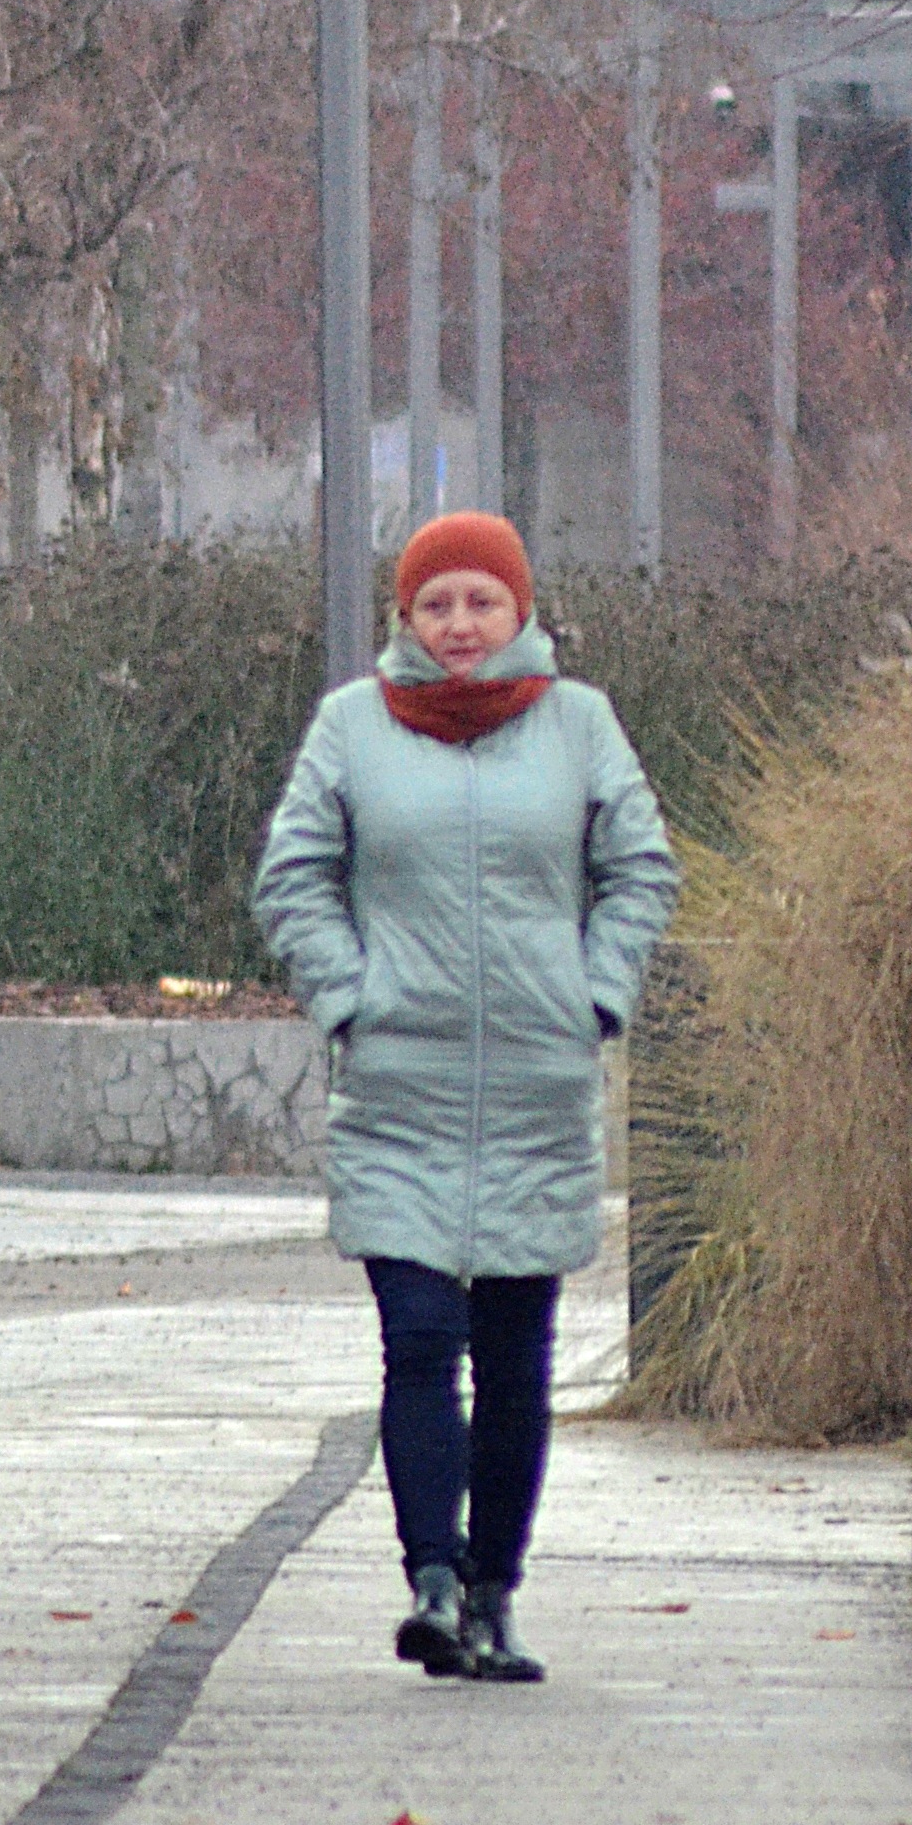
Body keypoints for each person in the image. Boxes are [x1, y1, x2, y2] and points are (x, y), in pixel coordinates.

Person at [250, 512, 678, 1684]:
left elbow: (640, 867)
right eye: (433, 606)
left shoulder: (577, 724)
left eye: (479, 604)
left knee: (516, 1355)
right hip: (400, 1082)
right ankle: (429, 1582)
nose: (456, 627)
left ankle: (495, 1592)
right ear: (403, 617)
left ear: (519, 610)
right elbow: (291, 875)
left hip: (538, 1082)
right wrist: (349, 998)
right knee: (419, 1342)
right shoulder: (350, 728)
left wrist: (593, 995)